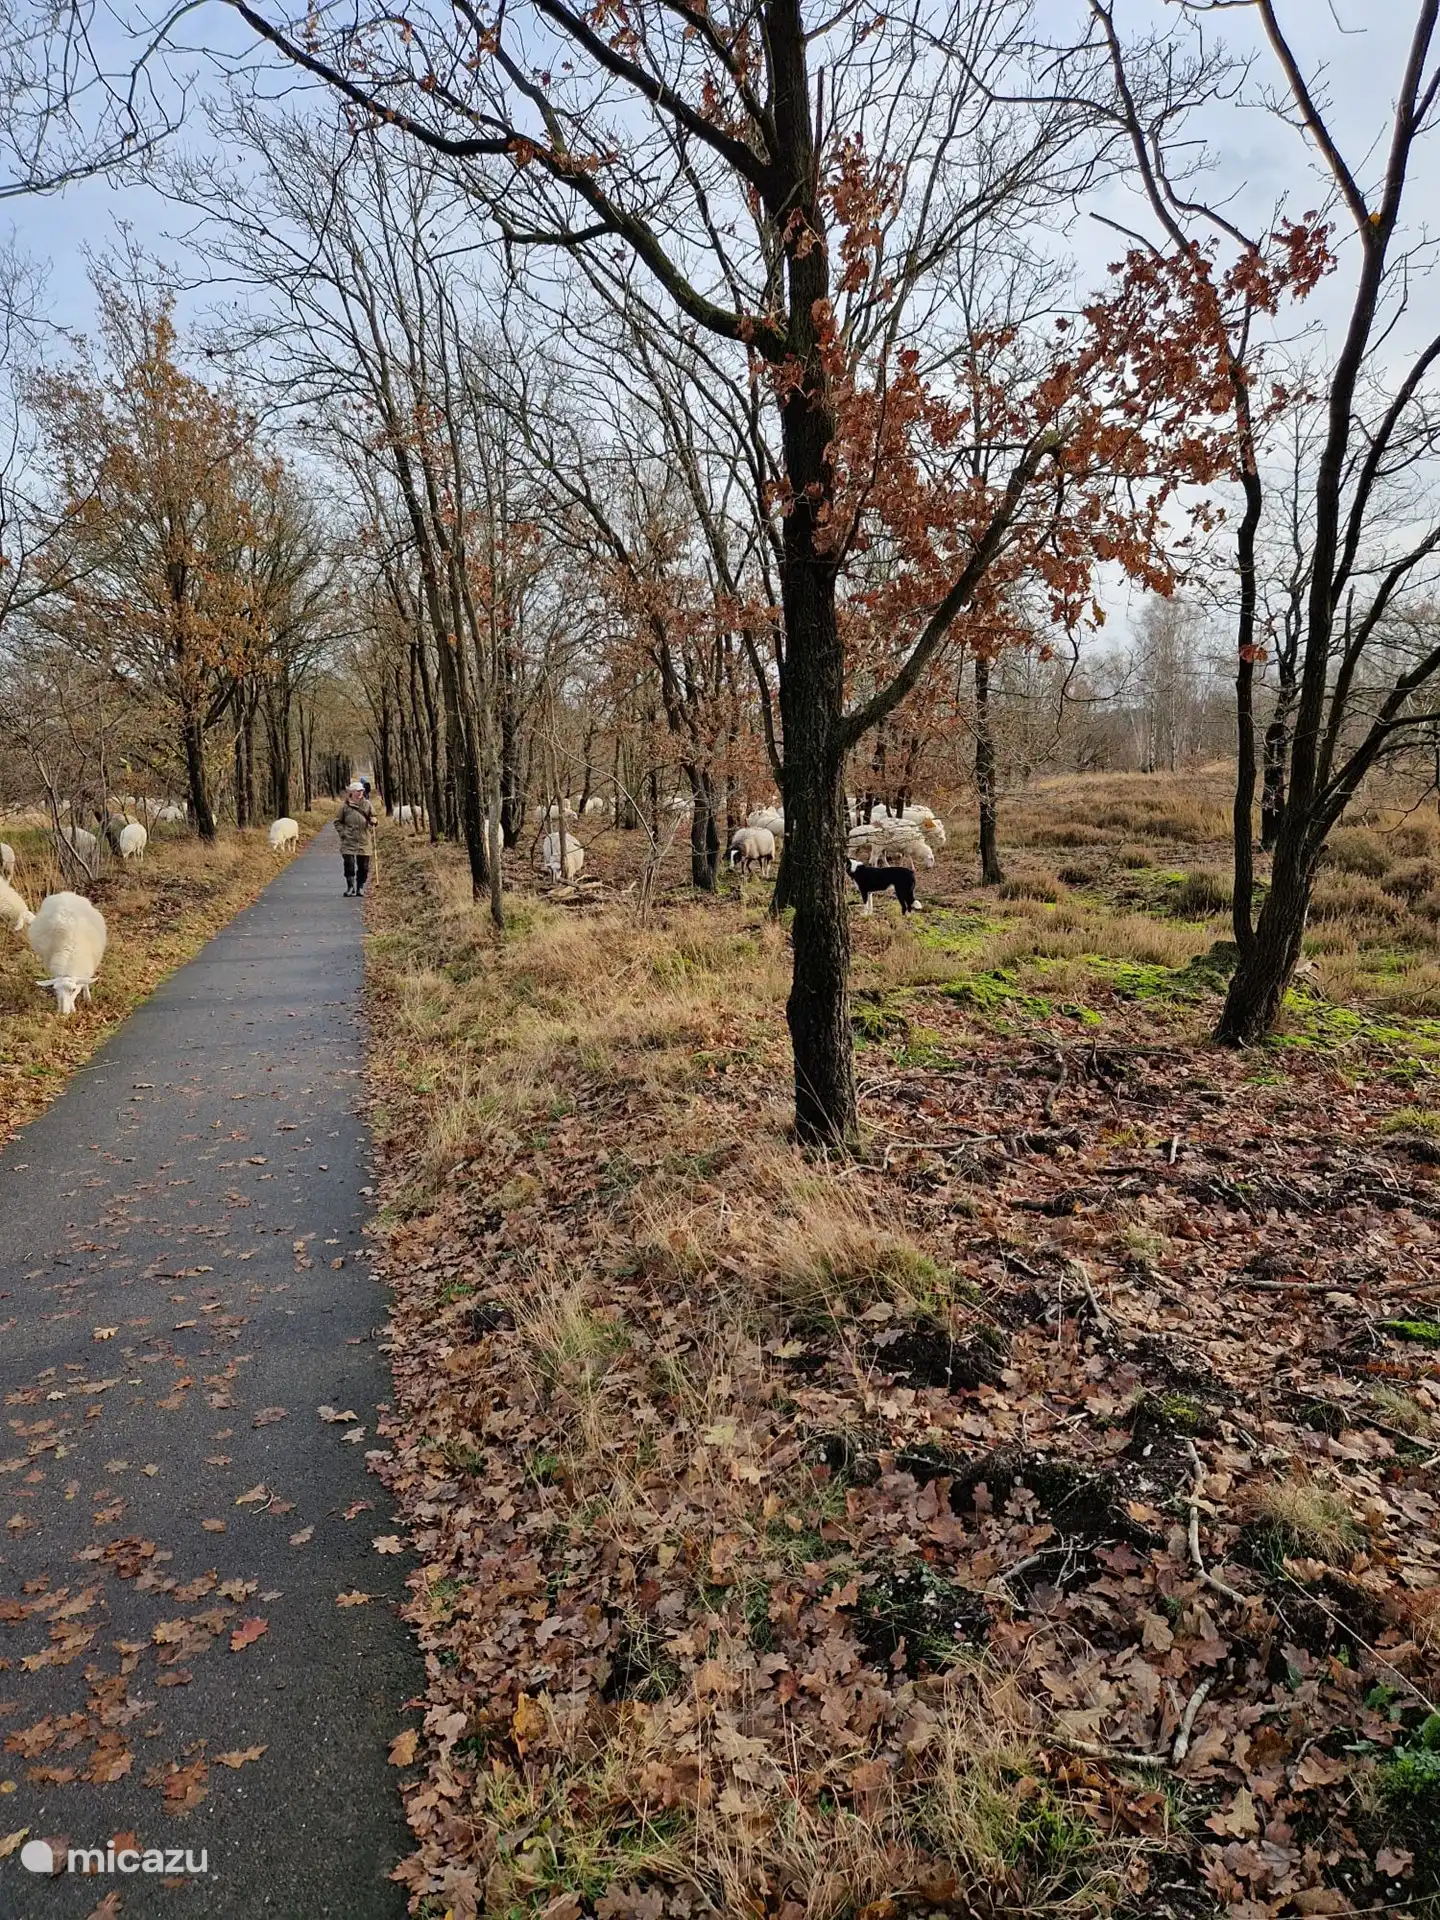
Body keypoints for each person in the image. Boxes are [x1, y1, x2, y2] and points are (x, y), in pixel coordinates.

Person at [334, 781, 377, 896]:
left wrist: (374, 821)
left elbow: (373, 817)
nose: (360, 793)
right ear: (351, 793)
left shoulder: (367, 804)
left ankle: (360, 887)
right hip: (349, 840)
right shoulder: (344, 806)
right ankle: (350, 887)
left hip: (364, 839)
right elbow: (337, 822)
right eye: (358, 791)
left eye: (361, 791)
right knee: (349, 864)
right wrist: (343, 833)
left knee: (363, 866)